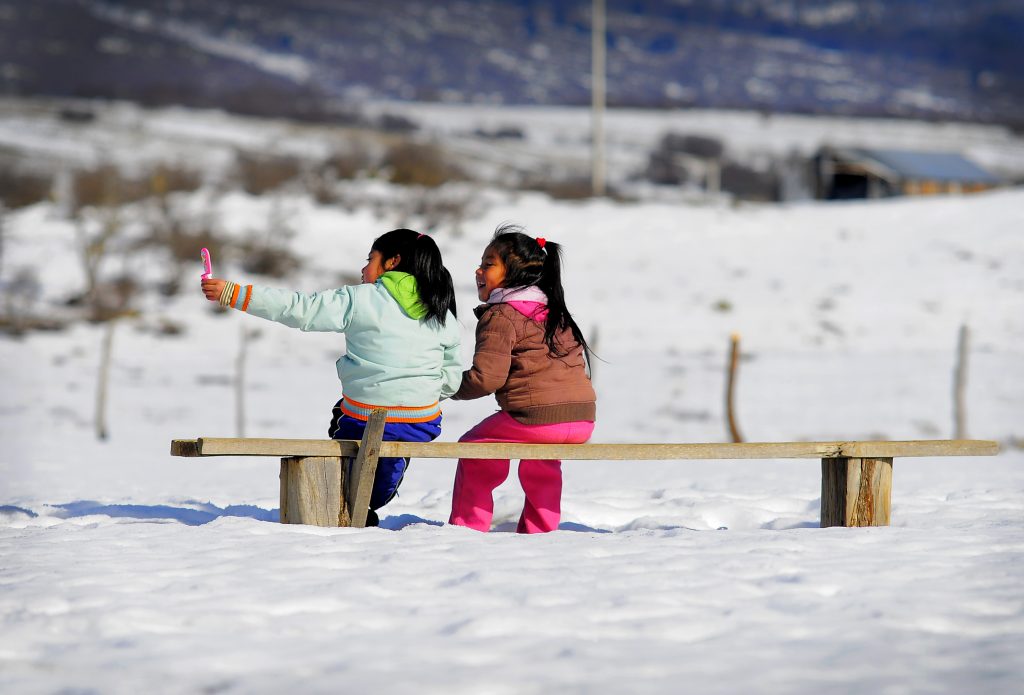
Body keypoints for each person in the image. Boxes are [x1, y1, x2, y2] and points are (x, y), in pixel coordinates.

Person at [200, 229, 461, 526]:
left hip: (364, 418)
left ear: (392, 262)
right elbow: (451, 381)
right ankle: (375, 491)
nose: (363, 269)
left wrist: (234, 293)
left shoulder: (359, 299)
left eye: (370, 259)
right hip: (420, 423)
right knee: (384, 437)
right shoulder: (441, 311)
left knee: (343, 417)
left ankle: (347, 494)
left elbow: (301, 309)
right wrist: (417, 392)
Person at [448, 224, 596, 533]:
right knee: (542, 457)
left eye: (488, 264)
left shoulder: (502, 315)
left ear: (513, 272)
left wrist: (447, 385)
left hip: (537, 418)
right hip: (582, 419)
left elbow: (487, 378)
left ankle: (467, 527)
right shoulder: (554, 311)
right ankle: (540, 529)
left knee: (475, 446)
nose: (478, 270)